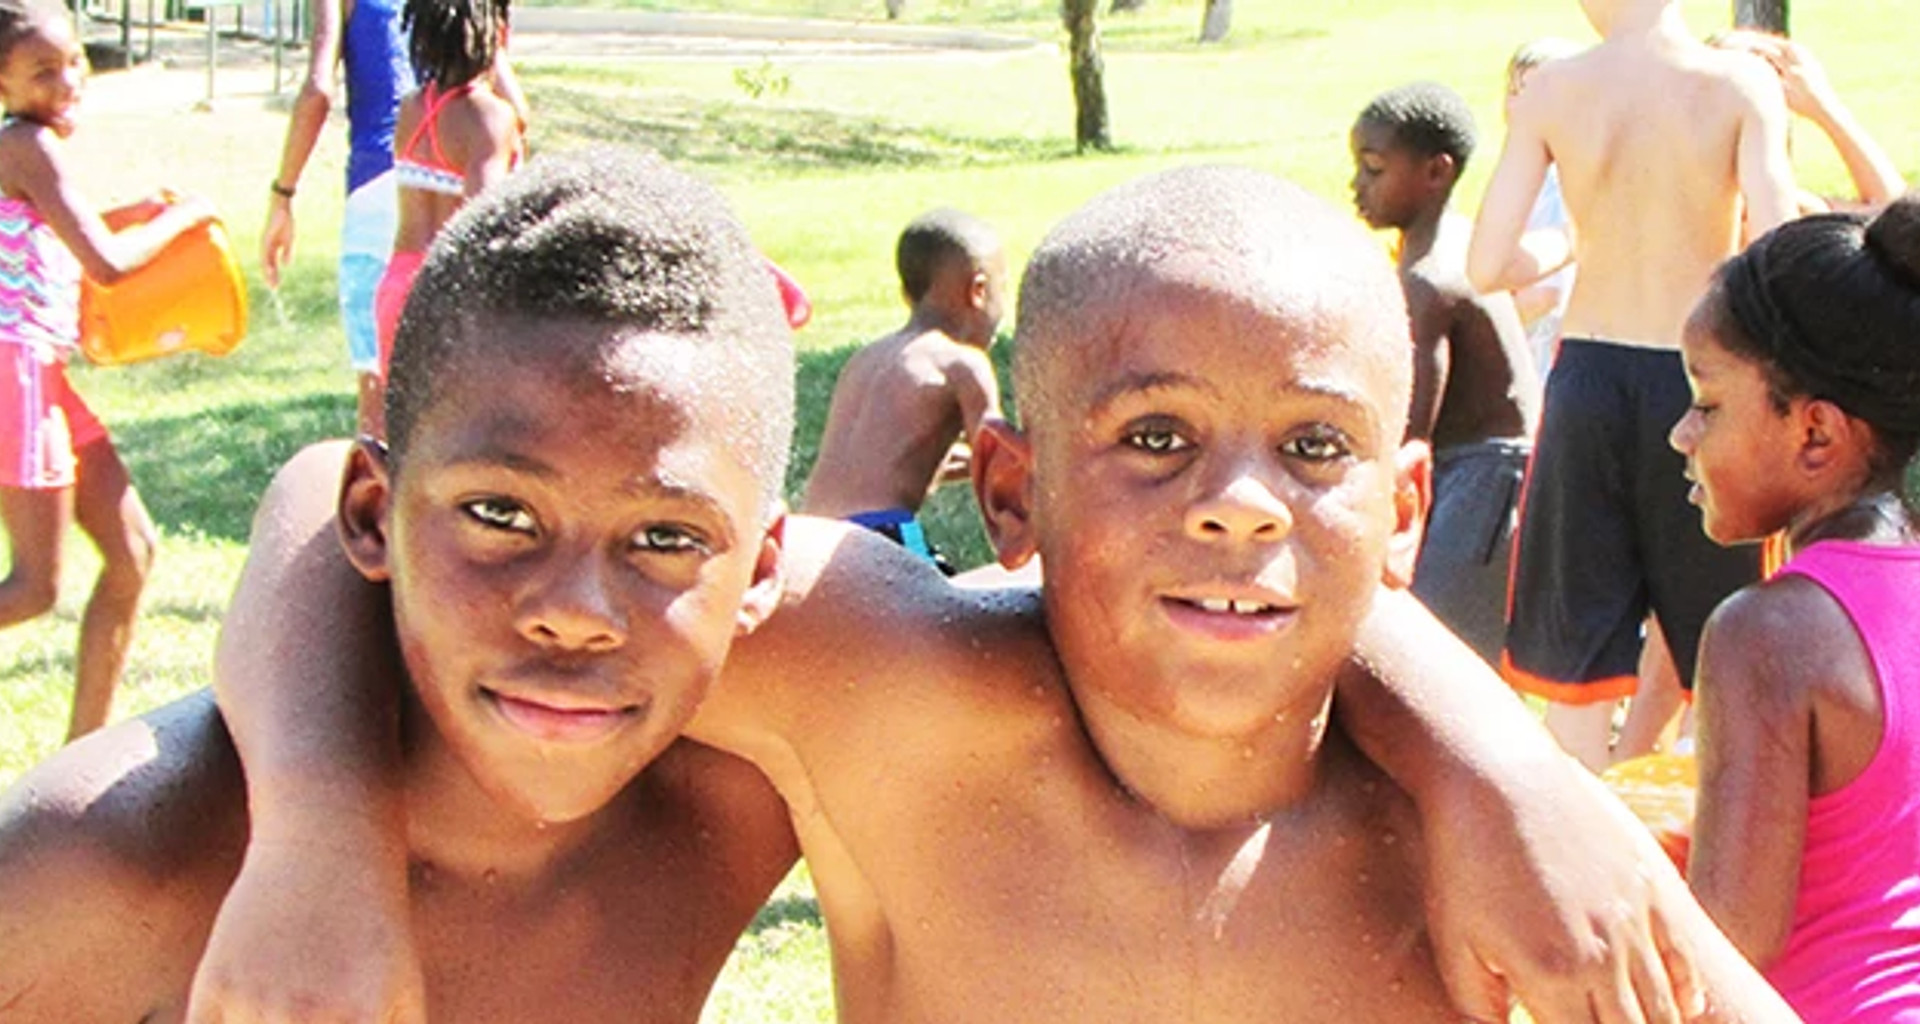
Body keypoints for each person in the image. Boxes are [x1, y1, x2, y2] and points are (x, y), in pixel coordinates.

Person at [191, 162, 1798, 1024]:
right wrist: (318, 845)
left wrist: (1495, 769)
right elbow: (327, 502)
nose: (1239, 505)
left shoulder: (1494, 861)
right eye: (1154, 437)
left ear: (1404, 506)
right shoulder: (884, 685)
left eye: (1313, 447)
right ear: (1010, 493)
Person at [0, 148, 802, 1022]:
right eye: (500, 515)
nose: (575, 613)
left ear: (761, 570)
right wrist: (315, 835)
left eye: (665, 538)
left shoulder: (757, 794)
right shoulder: (104, 871)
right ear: (372, 513)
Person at [1465, 0, 1799, 770]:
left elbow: (1488, 264)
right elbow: (1778, 251)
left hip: (1588, 381)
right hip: (1702, 379)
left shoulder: (1552, 89)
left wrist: (1579, 240)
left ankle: (1575, 843)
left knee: (1578, 671)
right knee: (1724, 645)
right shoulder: (1738, 84)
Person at [1673, 196, 1920, 1019]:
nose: (1681, 434)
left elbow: (1725, 948)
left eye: (1707, 404)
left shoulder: (1767, 634)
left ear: (1815, 434)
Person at [0, 0, 214, 742]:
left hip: (44, 377)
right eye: (42, 71)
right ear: (2, 82)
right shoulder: (27, 143)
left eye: (74, 63)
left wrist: (136, 213)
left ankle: (81, 757)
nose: (67, 83)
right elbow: (108, 265)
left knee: (133, 551)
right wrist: (186, 218)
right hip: (17, 376)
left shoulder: (27, 149)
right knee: (35, 588)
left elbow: (64, 235)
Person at [1349, 81, 1538, 666]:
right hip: (1482, 467)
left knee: (1439, 649)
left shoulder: (1429, 279)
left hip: (1486, 475)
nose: (1356, 186)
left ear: (1436, 172)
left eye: (1374, 169)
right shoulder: (1458, 242)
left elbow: (1412, 424)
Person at [798, 207, 1007, 569]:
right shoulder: (961, 364)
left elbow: (884, 460)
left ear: (907, 293)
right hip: (877, 537)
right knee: (959, 603)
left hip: (807, 539)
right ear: (979, 290)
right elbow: (1000, 469)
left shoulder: (864, 360)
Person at [370, 0, 524, 418]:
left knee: (406, 430)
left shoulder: (412, 109)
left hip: (398, 286)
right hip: (450, 293)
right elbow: (481, 225)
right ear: (496, 35)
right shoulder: (488, 118)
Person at [1707, 29, 1906, 217]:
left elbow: (1891, 216)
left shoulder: (1774, 202)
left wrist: (1823, 105)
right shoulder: (1779, 207)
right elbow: (1890, 216)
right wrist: (1824, 109)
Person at [1501, 37, 1583, 381]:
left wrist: (1487, 322)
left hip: (1545, 362)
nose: (1519, 104)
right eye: (1514, 90)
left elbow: (1547, 293)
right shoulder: (1524, 174)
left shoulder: (1557, 183)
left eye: (1537, 93)